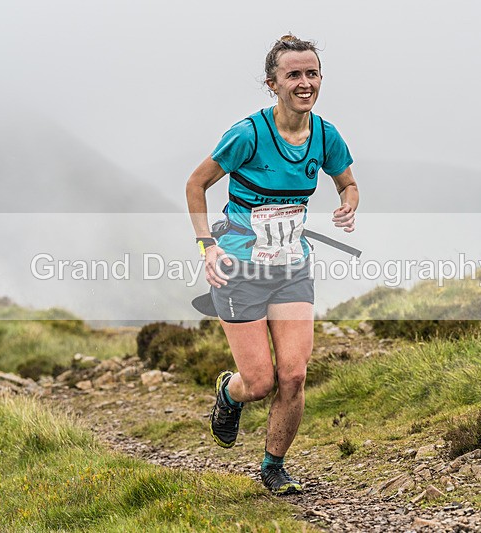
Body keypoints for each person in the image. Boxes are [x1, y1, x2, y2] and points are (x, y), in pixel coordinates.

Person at [185, 34, 358, 495]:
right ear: (272, 83)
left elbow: (348, 183)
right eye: (293, 75)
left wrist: (348, 203)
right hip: (239, 268)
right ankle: (230, 392)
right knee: (259, 382)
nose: (304, 83)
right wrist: (207, 246)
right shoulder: (247, 134)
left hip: (291, 268)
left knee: (295, 374)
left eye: (312, 73)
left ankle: (273, 465)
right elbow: (195, 186)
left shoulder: (325, 135)